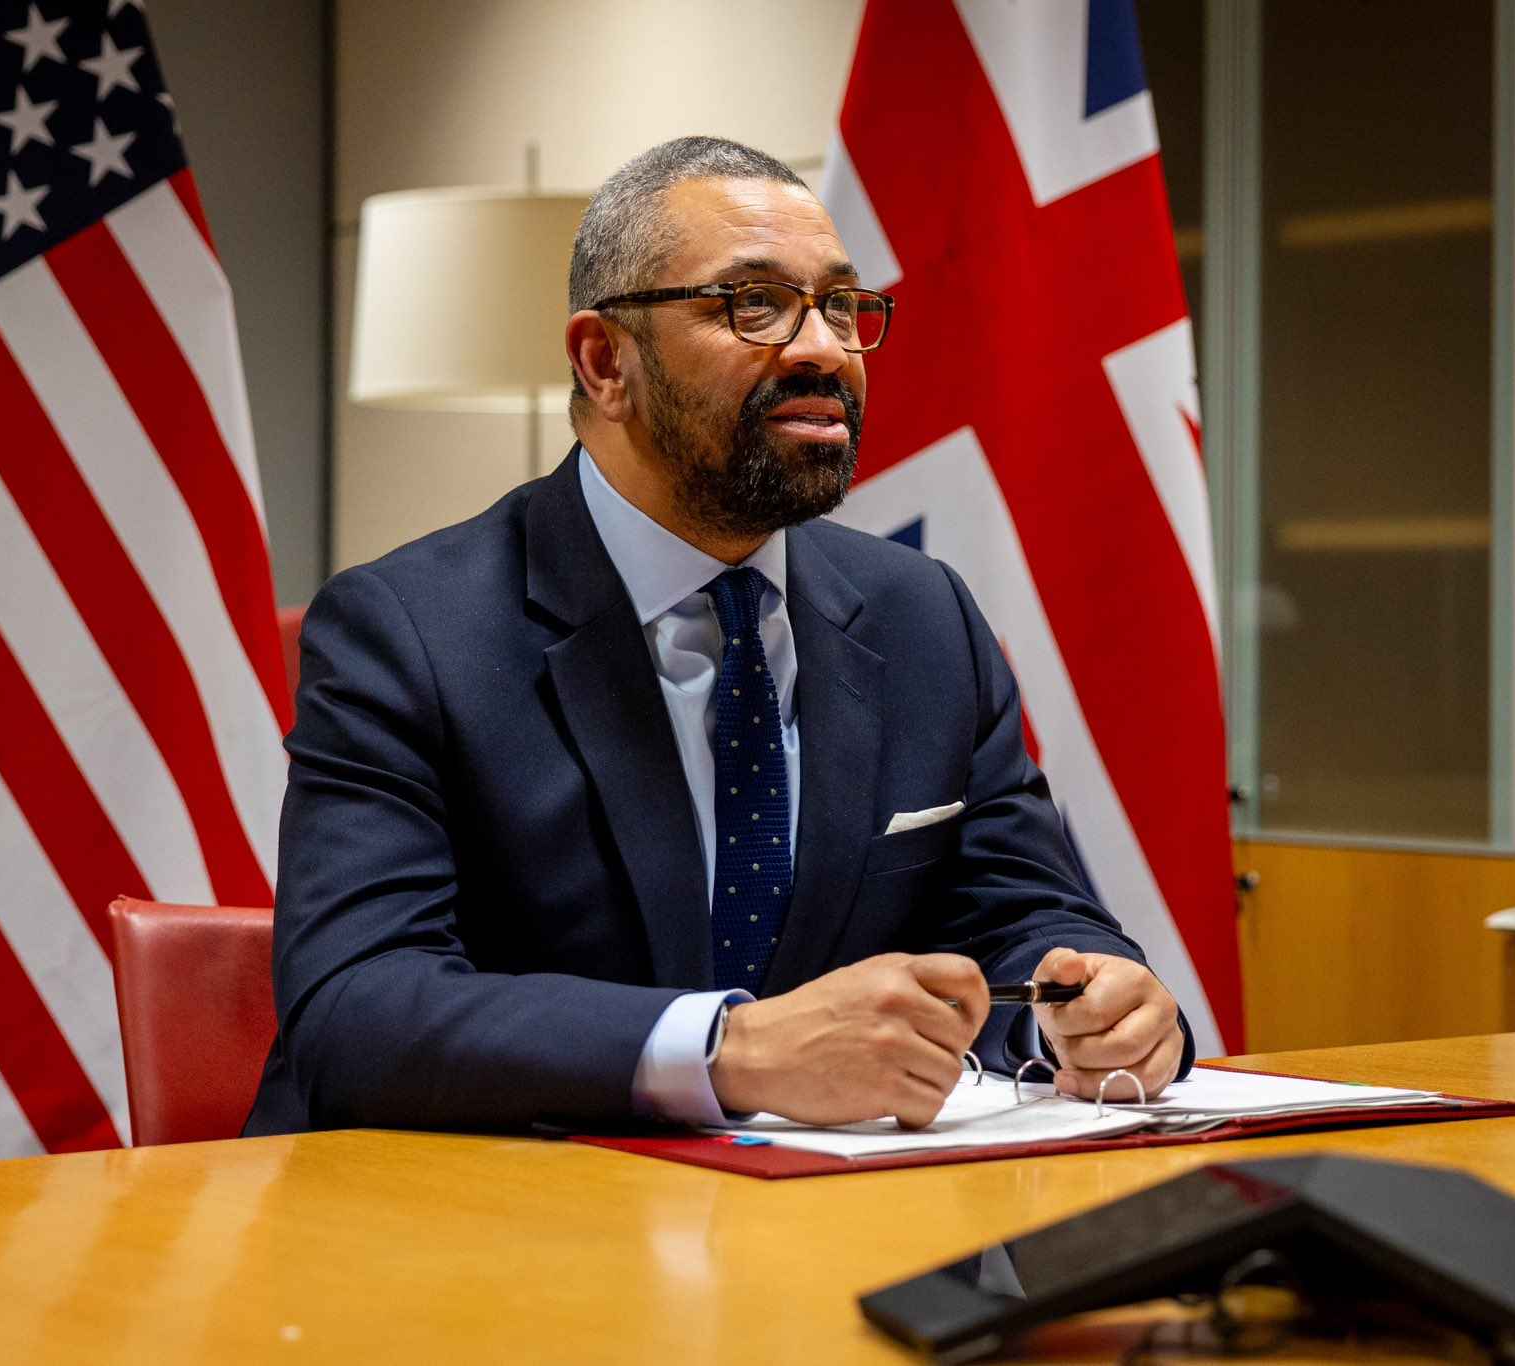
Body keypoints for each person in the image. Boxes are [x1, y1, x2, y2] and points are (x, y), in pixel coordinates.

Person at [243, 136, 1191, 1137]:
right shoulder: (406, 630)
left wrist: (1092, 1007)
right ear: (604, 362)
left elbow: (1021, 911)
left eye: (840, 305)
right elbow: (356, 1007)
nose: (823, 349)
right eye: (755, 304)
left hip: (826, 1208)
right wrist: (730, 1052)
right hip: (478, 1206)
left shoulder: (922, 617)